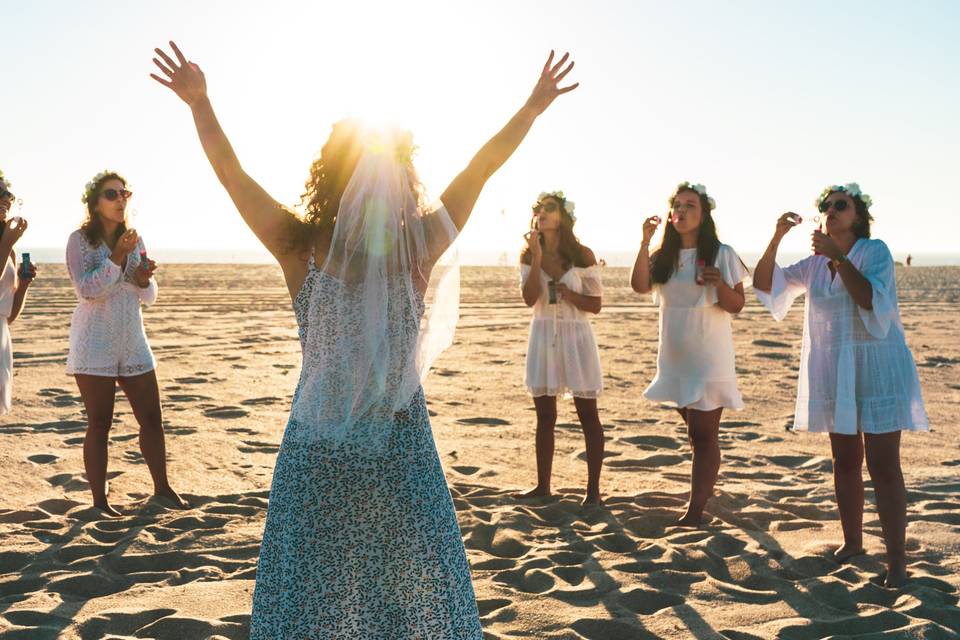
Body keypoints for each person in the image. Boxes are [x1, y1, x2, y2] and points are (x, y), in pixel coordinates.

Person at [151, 40, 578, 637]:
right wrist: (199, 104)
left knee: (386, 588)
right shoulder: (388, 246)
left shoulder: (320, 246)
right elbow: (477, 169)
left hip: (364, 446)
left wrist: (202, 105)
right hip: (360, 446)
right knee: (343, 590)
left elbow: (232, 176)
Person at [753, 183, 927, 587]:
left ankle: (896, 561)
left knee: (884, 465)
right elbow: (765, 283)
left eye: (840, 205)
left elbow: (869, 299)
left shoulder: (875, 251)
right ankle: (853, 542)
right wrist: (776, 238)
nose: (830, 210)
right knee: (844, 460)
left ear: (858, 216)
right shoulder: (814, 263)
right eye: (826, 206)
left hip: (878, 368)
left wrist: (838, 259)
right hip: (836, 370)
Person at [65, 170, 185, 516]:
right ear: (95, 202)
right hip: (95, 341)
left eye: (124, 194)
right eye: (111, 194)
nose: (120, 200)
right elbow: (88, 290)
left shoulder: (135, 238)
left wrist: (145, 279)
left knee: (151, 417)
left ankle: (162, 489)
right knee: (100, 423)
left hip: (133, 338)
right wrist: (116, 257)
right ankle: (100, 503)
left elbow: (148, 296)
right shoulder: (79, 241)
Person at [630, 182, 750, 525]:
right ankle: (706, 484)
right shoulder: (663, 256)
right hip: (674, 356)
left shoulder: (721, 253)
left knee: (702, 433)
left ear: (704, 214)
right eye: (677, 205)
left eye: (690, 205)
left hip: (709, 356)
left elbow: (737, 304)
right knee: (696, 432)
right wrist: (643, 242)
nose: (682, 210)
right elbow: (639, 286)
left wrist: (719, 284)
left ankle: (695, 510)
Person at [519, 190, 605, 505]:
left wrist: (570, 294)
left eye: (550, 208)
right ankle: (543, 486)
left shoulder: (582, 255)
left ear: (562, 217)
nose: (542, 212)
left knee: (587, 413)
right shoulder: (528, 255)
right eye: (538, 208)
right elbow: (529, 300)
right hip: (542, 335)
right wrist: (538, 257)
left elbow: (596, 305)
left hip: (576, 336)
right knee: (544, 414)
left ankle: (593, 492)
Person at [0, 171, 37, 414]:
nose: (6, 198)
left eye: (8, 193)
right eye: (0, 192)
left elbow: (8, 315)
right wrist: (6, 243)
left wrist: (24, 285)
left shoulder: (9, 248)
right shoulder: (7, 244)